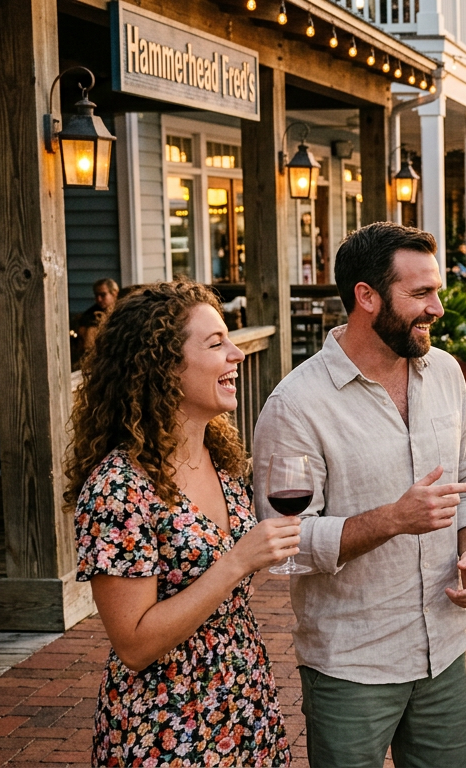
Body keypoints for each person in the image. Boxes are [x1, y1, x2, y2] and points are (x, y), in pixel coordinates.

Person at [252, 222, 466, 768]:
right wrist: (391, 519)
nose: (438, 308)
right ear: (367, 296)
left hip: (444, 653)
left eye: (437, 290)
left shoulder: (447, 373)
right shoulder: (297, 406)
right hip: (352, 666)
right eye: (421, 293)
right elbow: (283, 547)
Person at [69, 281, 296, 766]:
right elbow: (133, 643)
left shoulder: (222, 457)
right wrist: (238, 562)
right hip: (168, 722)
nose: (236, 353)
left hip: (243, 700)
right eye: (216, 343)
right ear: (163, 365)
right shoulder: (119, 487)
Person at [73, 278, 119, 367]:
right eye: (96, 295)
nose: (99, 299)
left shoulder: (122, 311)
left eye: (103, 295)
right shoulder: (90, 316)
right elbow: (86, 346)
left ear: (114, 293)